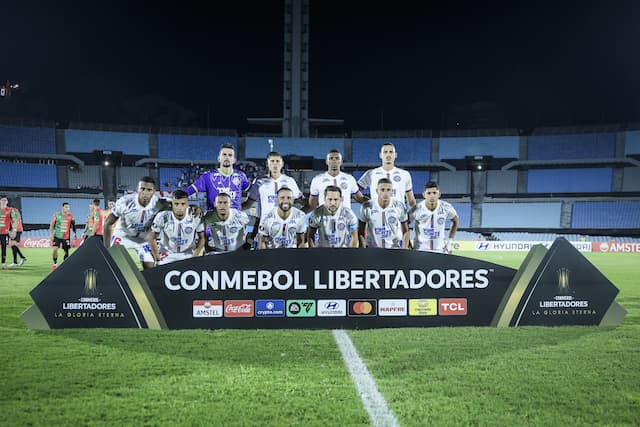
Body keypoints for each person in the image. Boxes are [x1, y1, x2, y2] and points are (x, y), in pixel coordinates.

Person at [103, 176, 172, 270]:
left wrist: (194, 209)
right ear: (137, 189)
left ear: (154, 191)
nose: (145, 193)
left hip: (144, 240)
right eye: (142, 189)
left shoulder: (160, 203)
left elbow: (180, 206)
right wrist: (107, 249)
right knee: (115, 265)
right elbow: (108, 223)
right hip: (123, 236)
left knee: (150, 268)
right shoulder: (125, 202)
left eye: (149, 190)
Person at [184, 143, 251, 211]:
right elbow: (187, 192)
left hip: (234, 219)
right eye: (224, 155)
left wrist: (243, 206)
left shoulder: (241, 176)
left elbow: (252, 193)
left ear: (234, 160)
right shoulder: (208, 176)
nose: (227, 157)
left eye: (230, 155)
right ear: (219, 158)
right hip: (214, 219)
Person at [148, 190, 205, 265]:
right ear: (172, 203)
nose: (179, 207)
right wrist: (157, 258)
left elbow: (202, 237)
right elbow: (152, 237)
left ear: (188, 204)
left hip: (188, 255)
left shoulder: (195, 216)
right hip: (167, 255)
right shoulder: (162, 216)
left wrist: (195, 256)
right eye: (176, 204)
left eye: (183, 204)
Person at [357, 142, 416, 208]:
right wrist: (369, 203)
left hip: (398, 216)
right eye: (385, 152)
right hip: (377, 216)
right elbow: (355, 191)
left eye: (391, 152)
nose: (388, 155)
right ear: (380, 155)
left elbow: (411, 201)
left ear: (395, 155)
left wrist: (415, 214)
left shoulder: (404, 174)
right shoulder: (371, 173)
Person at [357, 178, 409, 249]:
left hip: (394, 250)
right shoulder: (367, 207)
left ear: (392, 191)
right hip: (372, 250)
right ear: (377, 191)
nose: (385, 193)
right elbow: (360, 232)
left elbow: (406, 231)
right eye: (382, 190)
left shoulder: (399, 207)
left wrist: (404, 249)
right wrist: (362, 250)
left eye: (388, 190)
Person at [409, 181, 459, 253]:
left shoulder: (446, 207)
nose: (432, 196)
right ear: (424, 195)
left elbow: (455, 220)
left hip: (440, 250)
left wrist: (450, 242)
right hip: (420, 250)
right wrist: (408, 244)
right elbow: (404, 224)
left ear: (439, 194)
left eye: (434, 193)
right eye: (429, 193)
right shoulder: (417, 209)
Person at [49, 202, 77, 270]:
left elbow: (73, 225)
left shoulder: (71, 216)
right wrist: (51, 234)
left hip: (66, 236)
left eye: (68, 207)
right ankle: (55, 264)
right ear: (62, 207)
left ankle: (65, 263)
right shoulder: (56, 214)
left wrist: (75, 234)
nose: (67, 209)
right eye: (66, 207)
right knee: (55, 249)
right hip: (57, 236)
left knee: (66, 251)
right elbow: (52, 225)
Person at [0, 196, 13, 269]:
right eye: (2, 200)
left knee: (4, 248)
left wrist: (13, 230)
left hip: (4, 233)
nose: (4, 201)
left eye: (5, 200)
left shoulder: (10, 210)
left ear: (7, 202)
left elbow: (13, 221)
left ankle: (3, 263)